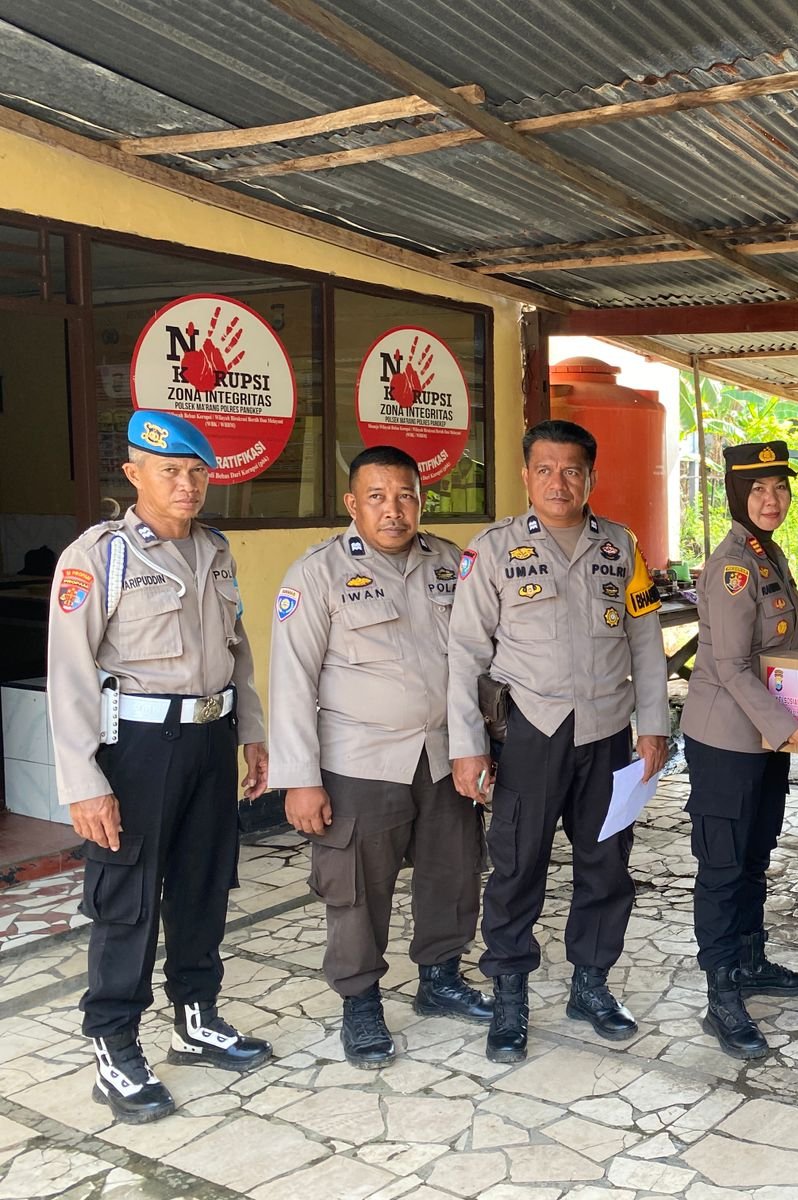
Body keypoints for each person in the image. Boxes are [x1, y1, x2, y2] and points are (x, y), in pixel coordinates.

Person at [47, 411, 271, 1124]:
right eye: (170, 470)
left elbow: (237, 650)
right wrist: (84, 781)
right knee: (129, 901)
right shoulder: (99, 555)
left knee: (204, 885)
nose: (186, 485)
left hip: (210, 740)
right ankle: (114, 1046)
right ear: (133, 473)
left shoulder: (215, 549)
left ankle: (195, 1020)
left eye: (197, 472)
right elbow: (69, 674)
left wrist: (252, 732)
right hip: (137, 751)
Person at [448, 419, 669, 1063]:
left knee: (607, 866)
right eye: (545, 470)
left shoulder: (621, 547)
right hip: (530, 731)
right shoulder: (493, 549)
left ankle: (591, 985)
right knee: (518, 867)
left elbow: (645, 641)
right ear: (526, 476)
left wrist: (655, 725)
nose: (558, 483)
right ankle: (510, 994)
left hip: (607, 733)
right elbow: (465, 653)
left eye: (572, 470)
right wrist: (467, 745)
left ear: (590, 477)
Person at [270, 445, 490, 1069]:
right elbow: (291, 680)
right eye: (377, 497)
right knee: (358, 889)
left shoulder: (450, 563)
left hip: (444, 754)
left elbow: (474, 661)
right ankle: (360, 1001)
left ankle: (440, 977)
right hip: (359, 760)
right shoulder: (317, 573)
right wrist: (299, 779)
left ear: (421, 501)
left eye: (405, 497)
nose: (393, 510)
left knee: (453, 871)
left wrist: (477, 746)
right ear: (352, 503)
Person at [681, 440, 798, 1060]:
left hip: (765, 739)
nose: (772, 499)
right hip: (727, 740)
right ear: (735, 495)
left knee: (754, 853)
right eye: (758, 489)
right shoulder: (733, 567)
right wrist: (794, 731)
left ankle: (749, 961)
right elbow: (730, 667)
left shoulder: (767, 554)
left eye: (780, 487)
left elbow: (778, 651)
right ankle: (721, 994)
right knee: (723, 866)